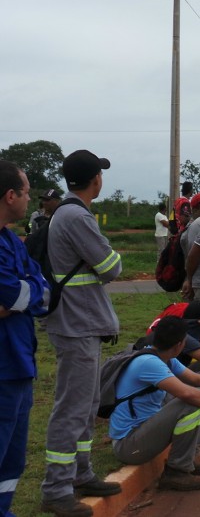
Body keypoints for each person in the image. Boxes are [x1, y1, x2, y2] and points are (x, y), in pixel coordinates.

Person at [42, 150, 123, 517]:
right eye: (100, 174)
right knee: (72, 409)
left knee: (87, 405)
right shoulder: (77, 216)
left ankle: (81, 473)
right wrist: (110, 254)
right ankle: (56, 489)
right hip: (76, 325)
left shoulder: (69, 212)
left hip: (80, 323)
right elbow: (111, 267)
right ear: (95, 180)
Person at [110, 316, 200, 491]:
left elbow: (198, 379)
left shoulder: (161, 356)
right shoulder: (149, 363)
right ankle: (176, 471)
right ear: (179, 345)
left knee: (199, 396)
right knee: (192, 402)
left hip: (141, 434)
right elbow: (187, 393)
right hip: (128, 445)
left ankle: (187, 463)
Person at [0, 160, 49, 516]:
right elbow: (12, 296)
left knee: (13, 459)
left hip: (20, 363)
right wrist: (22, 295)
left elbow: (41, 291)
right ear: (10, 194)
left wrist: (22, 295)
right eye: (27, 191)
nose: (30, 199)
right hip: (2, 367)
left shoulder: (11, 241)